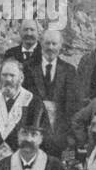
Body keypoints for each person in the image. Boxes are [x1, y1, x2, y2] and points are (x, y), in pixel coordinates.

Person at [0, 59, 45, 162]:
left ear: (21, 78)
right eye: (4, 75)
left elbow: (37, 137)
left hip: (22, 160)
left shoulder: (34, 103)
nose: (7, 79)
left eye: (12, 75)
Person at [32, 27, 82, 157]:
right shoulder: (29, 68)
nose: (50, 47)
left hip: (61, 135)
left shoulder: (70, 70)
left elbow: (74, 106)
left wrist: (70, 135)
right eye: (47, 43)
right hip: (35, 133)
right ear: (41, 44)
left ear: (60, 46)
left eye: (54, 44)